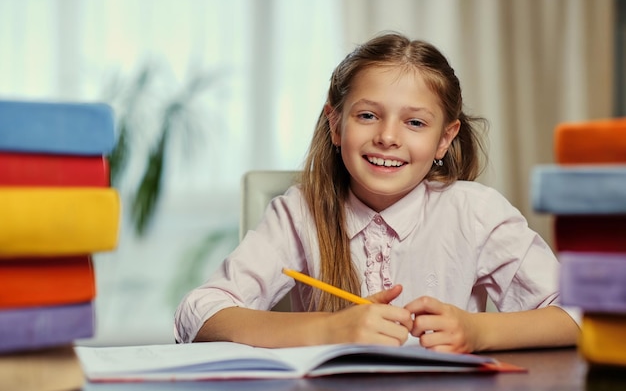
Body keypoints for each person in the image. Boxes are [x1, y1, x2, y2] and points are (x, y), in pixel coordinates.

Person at [175, 32, 579, 353]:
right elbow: (198, 313)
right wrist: (330, 328)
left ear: (445, 139)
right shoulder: (300, 213)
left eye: (415, 123)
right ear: (336, 125)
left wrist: (478, 329)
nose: (387, 137)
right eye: (367, 115)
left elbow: (580, 314)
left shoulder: (476, 212)